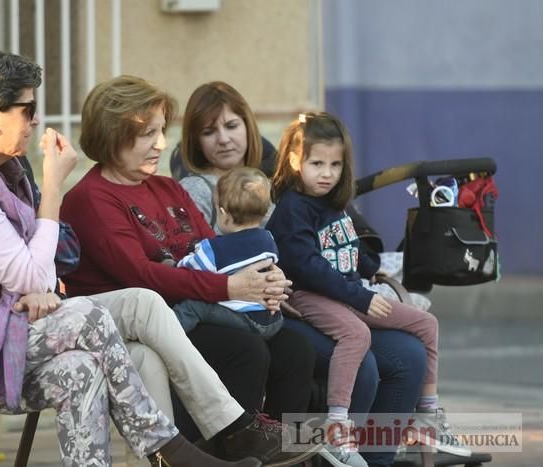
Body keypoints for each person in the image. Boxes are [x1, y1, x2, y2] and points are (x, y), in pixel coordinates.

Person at [0, 49, 263, 467]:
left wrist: (37, 286)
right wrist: (54, 185)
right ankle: (171, 452)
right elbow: (31, 275)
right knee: (89, 318)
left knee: (95, 352)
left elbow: (49, 261)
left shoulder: (0, 167)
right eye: (28, 109)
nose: (36, 120)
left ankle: (231, 428)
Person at [60, 75, 321, 465]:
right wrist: (233, 287)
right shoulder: (90, 198)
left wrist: (265, 280)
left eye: (161, 131)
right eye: (148, 134)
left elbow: (215, 249)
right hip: (145, 327)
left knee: (295, 348)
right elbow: (142, 277)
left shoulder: (167, 187)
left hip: (194, 311)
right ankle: (227, 448)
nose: (161, 144)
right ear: (113, 135)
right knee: (245, 351)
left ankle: (275, 454)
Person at [266, 112, 471, 466]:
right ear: (295, 160)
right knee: (356, 335)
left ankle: (428, 415)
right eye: (317, 163)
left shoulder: (333, 202)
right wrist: (362, 296)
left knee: (427, 325)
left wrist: (374, 269)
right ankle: (337, 426)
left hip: (347, 292)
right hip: (308, 295)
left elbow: (350, 248)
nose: (327, 173)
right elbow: (305, 266)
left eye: (335, 164)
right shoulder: (292, 209)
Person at [173, 167, 283, 339]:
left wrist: (176, 261)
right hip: (273, 319)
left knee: (193, 306)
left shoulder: (214, 248)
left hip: (246, 320)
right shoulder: (268, 239)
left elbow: (186, 270)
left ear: (223, 214)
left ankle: (168, 334)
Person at [177, 81, 275, 232]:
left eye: (231, 126)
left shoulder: (276, 183)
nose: (223, 139)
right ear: (196, 141)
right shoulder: (195, 190)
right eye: (208, 132)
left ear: (248, 126)